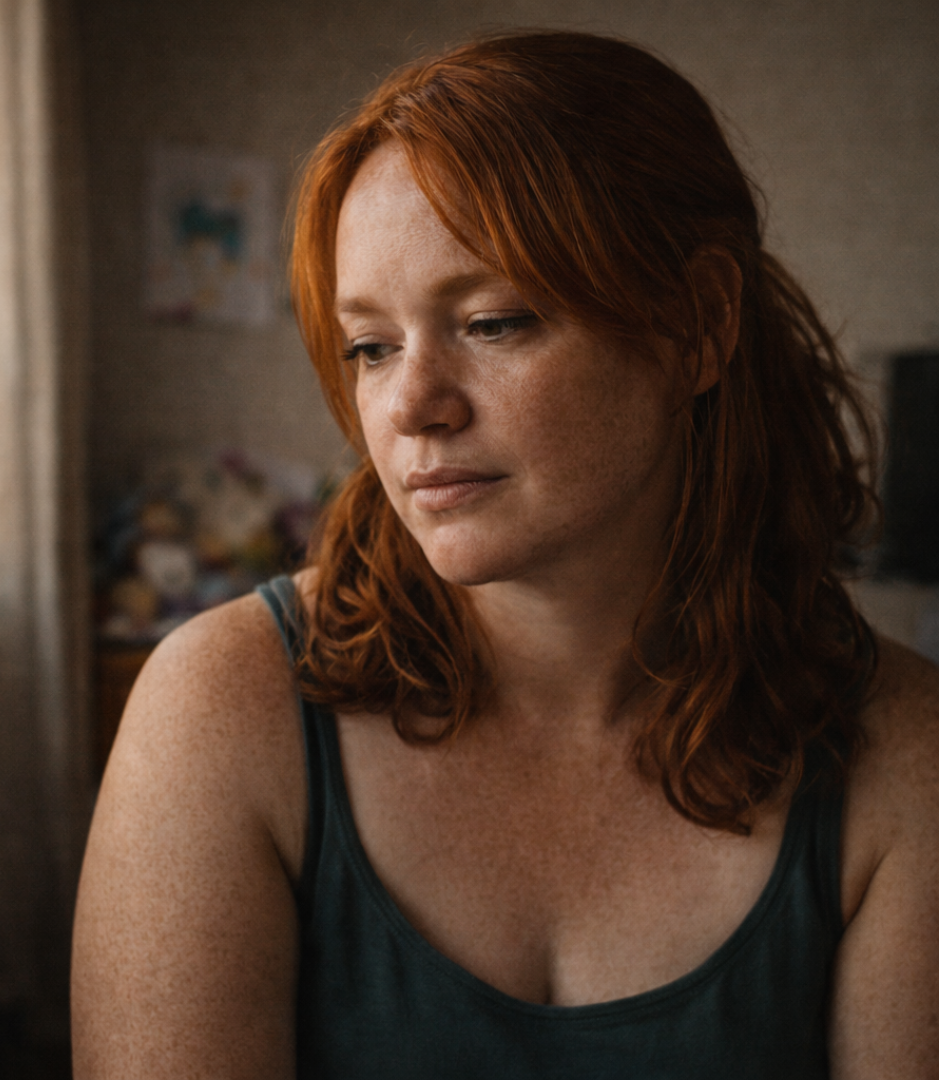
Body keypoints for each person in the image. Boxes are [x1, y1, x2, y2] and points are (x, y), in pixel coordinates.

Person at [70, 31, 939, 1079]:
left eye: (494, 321)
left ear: (699, 325)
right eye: (370, 346)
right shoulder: (223, 707)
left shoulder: (906, 760)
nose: (408, 407)